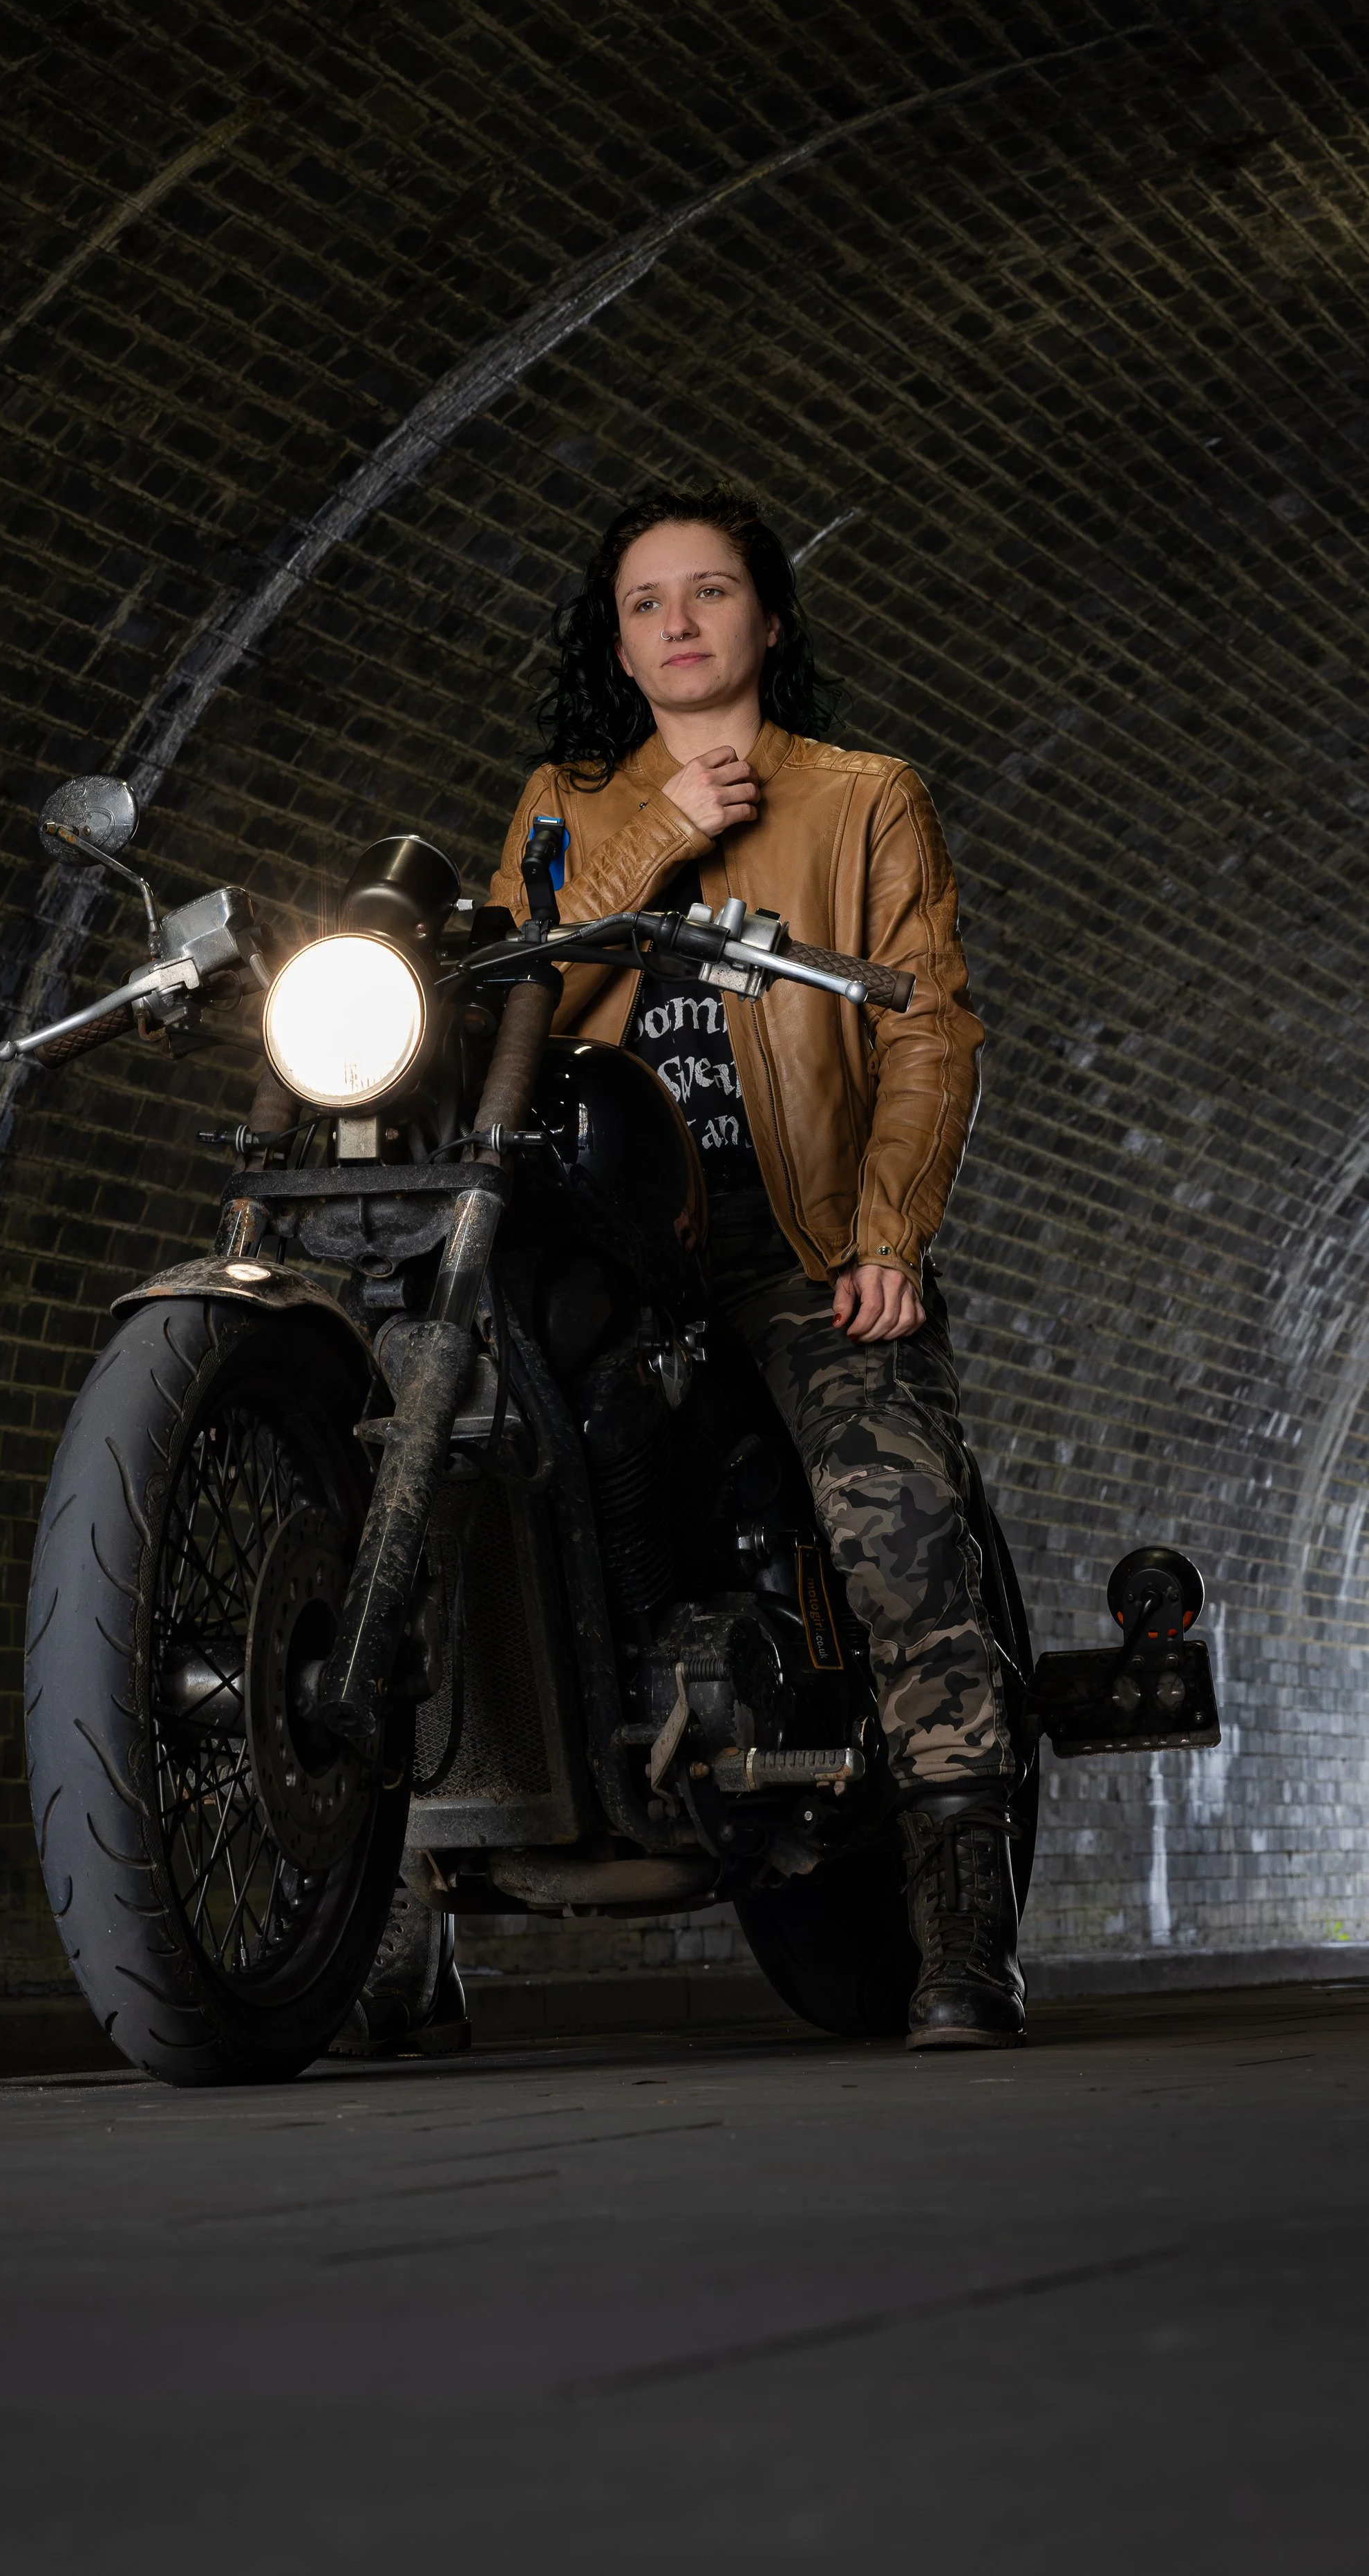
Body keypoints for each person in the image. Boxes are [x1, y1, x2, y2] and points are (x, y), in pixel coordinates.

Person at [482, 482, 1023, 2051]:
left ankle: (961, 1941)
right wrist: (656, 828)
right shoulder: (564, 802)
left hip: (789, 1237)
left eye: (707, 593)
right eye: (644, 601)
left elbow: (923, 1030)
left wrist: (885, 1237)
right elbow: (520, 995)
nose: (675, 623)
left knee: (897, 1520)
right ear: (618, 637)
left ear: (766, 621)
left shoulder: (864, 798)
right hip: (607, 1242)